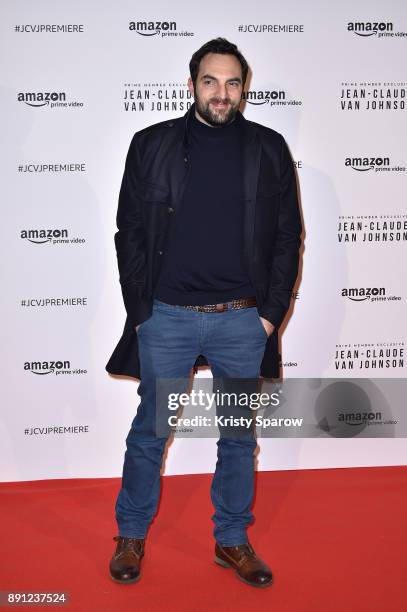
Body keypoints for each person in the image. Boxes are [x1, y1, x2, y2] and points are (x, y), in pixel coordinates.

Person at [106, 37, 302, 588]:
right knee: (150, 431)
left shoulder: (268, 148)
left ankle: (232, 541)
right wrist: (141, 309)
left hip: (242, 319)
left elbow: (289, 236)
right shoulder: (151, 145)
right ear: (192, 83)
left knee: (238, 435)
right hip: (166, 317)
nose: (222, 93)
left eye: (232, 82)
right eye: (211, 81)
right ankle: (131, 536)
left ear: (245, 87)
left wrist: (270, 314)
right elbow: (131, 233)